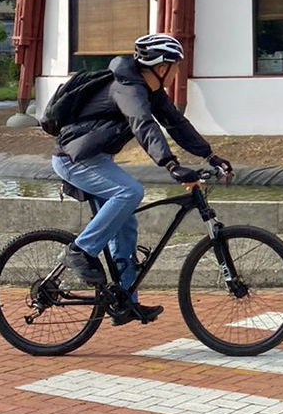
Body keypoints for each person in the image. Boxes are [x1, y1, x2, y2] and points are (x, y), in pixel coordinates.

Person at [50, 33, 233, 325]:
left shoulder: (150, 91)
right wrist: (171, 165)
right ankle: (79, 251)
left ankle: (124, 302)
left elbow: (176, 123)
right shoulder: (127, 89)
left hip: (94, 159)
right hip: (73, 160)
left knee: (125, 225)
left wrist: (210, 156)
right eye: (175, 67)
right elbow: (143, 125)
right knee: (130, 192)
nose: (177, 73)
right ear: (161, 67)